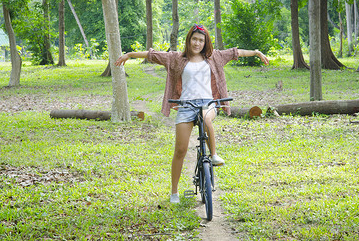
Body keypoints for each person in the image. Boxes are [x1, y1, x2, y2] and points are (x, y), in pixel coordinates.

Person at [115, 24, 269, 203]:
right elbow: (152, 55)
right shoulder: (176, 58)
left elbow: (236, 53)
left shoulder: (214, 57)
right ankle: (174, 193)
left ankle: (213, 155)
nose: (197, 43)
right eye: (194, 39)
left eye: (201, 40)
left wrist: (257, 52)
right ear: (189, 40)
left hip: (208, 103)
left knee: (205, 116)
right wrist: (130, 55)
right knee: (180, 150)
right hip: (185, 106)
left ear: (206, 42)